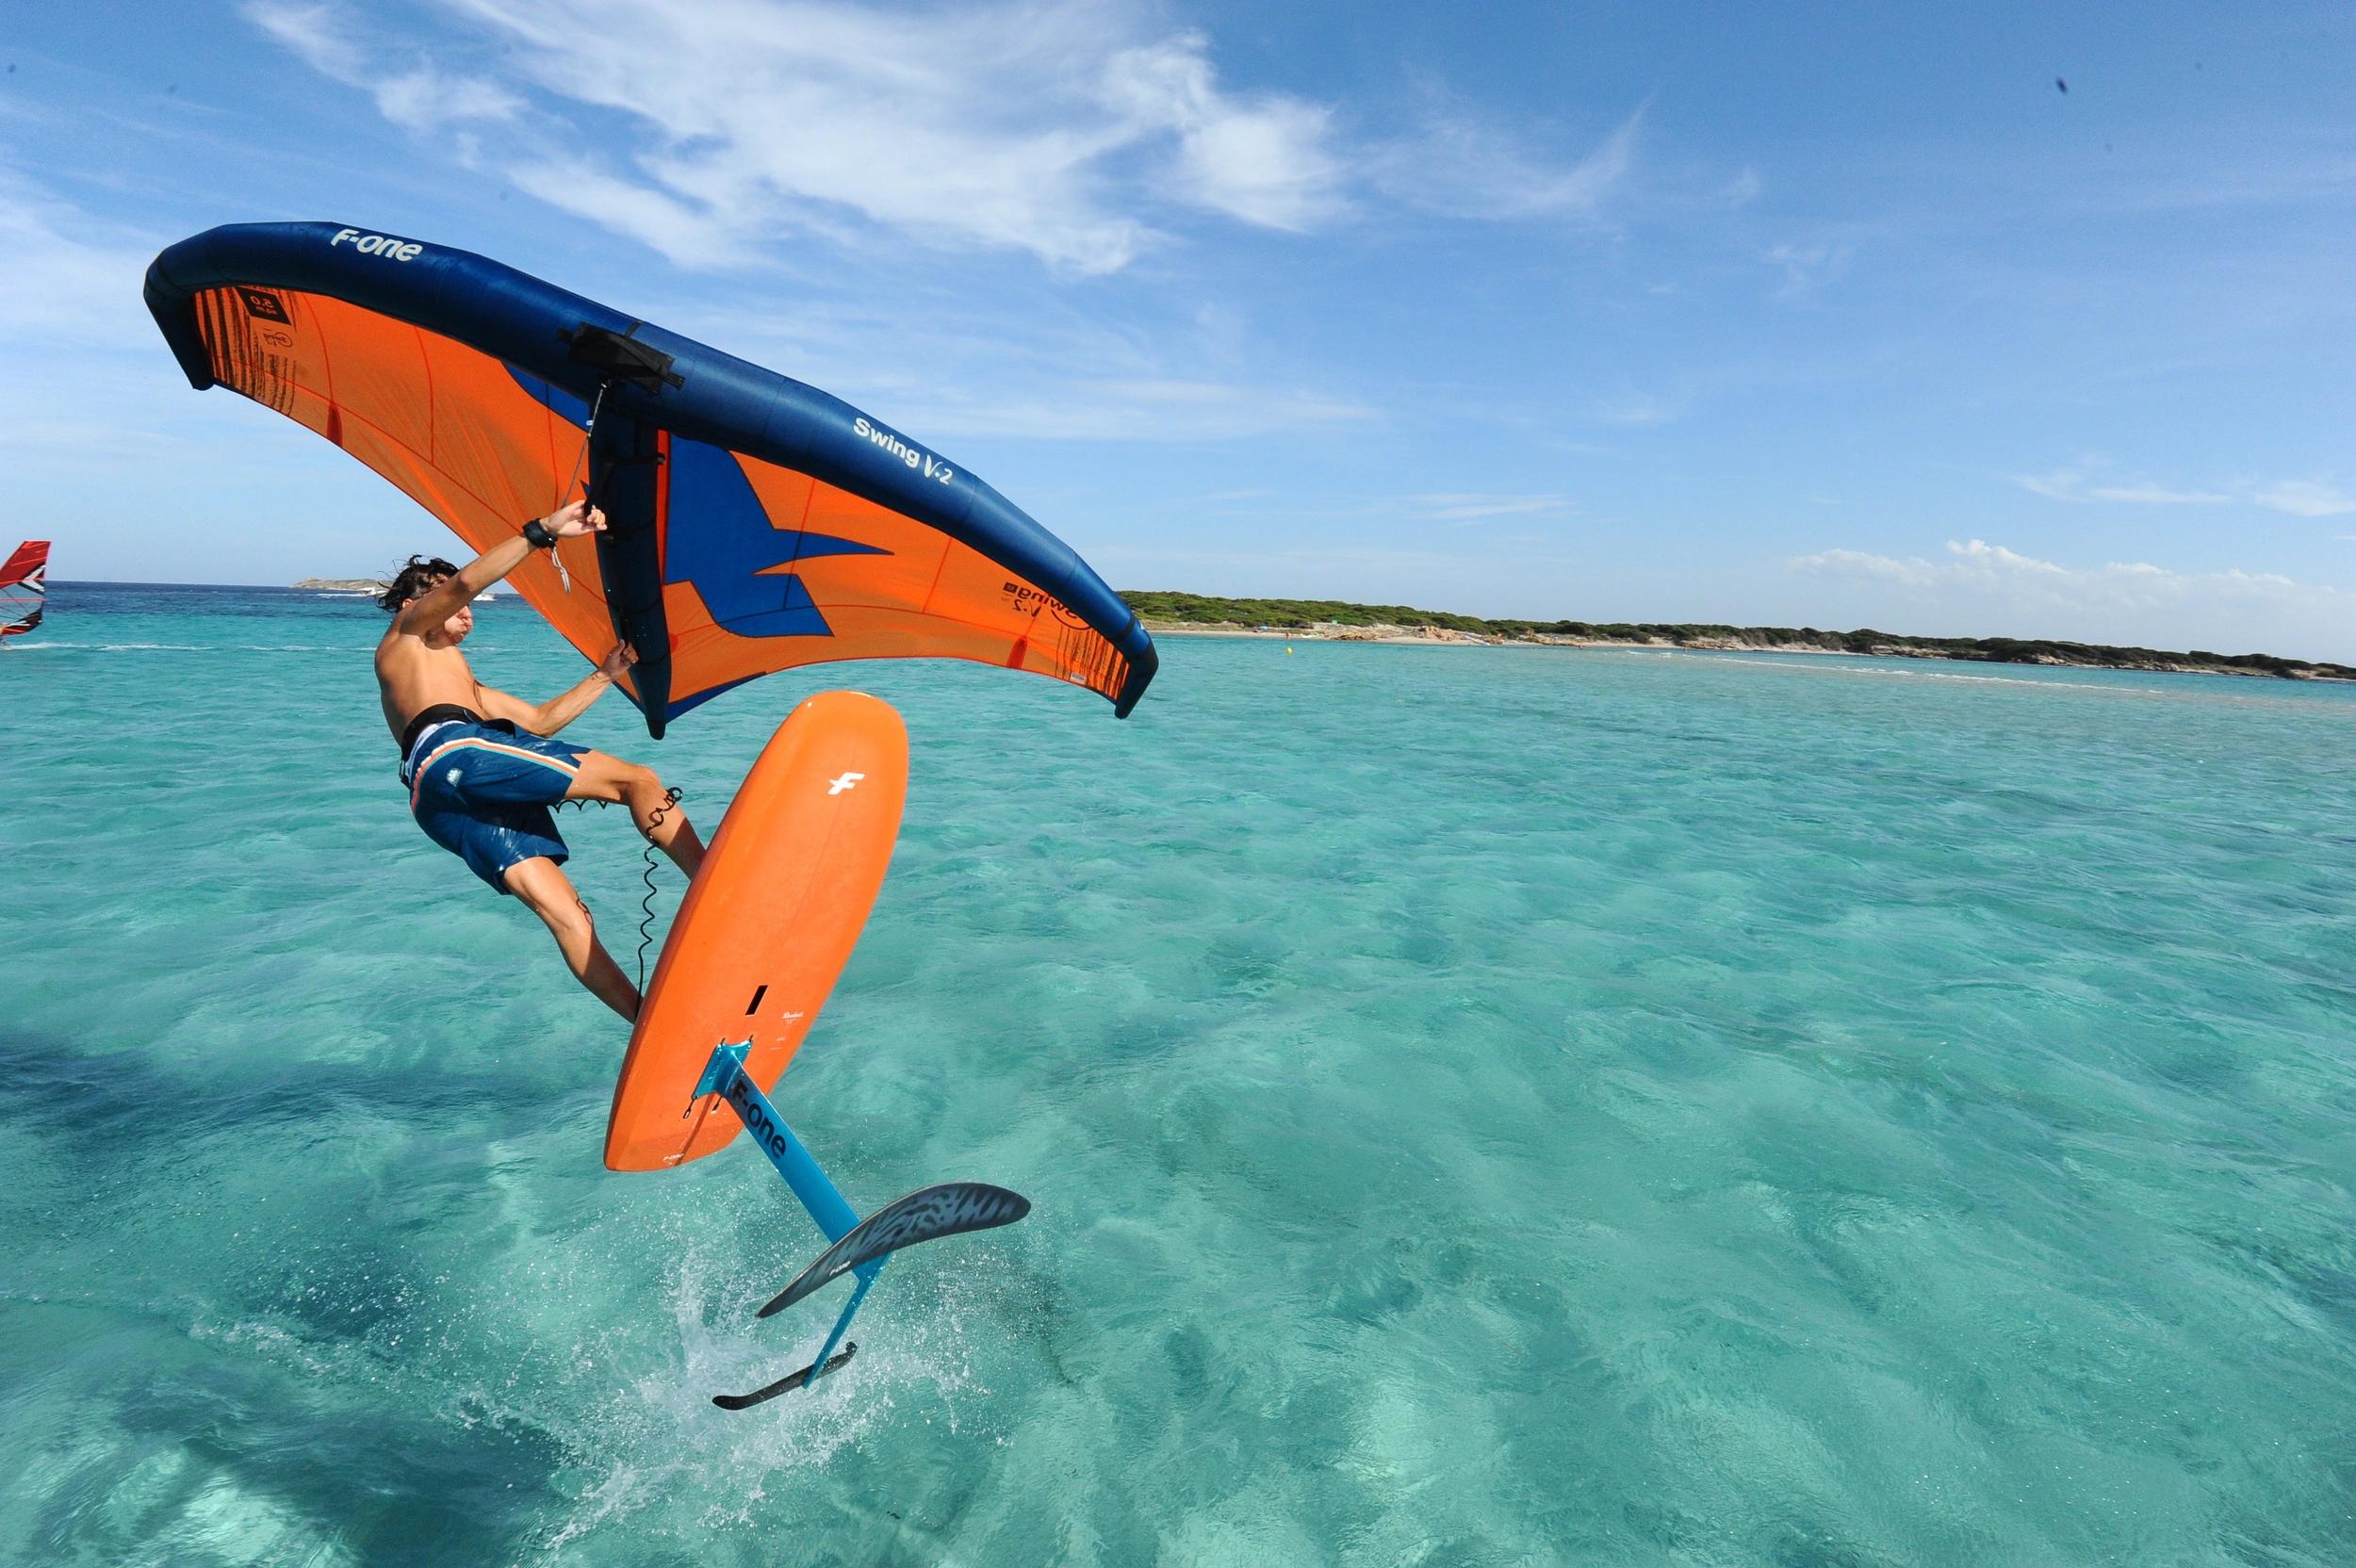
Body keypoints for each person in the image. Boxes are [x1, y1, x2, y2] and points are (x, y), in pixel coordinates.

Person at [375, 501, 705, 1021]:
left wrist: (605, 674)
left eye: (468, 605)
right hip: (453, 750)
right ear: (416, 603)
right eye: (453, 602)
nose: (467, 609)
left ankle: (647, 1024)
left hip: (433, 794)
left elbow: (541, 722)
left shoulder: (465, 687)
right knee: (637, 780)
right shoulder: (406, 635)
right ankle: (713, 885)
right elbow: (464, 583)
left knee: (567, 914)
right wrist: (542, 532)